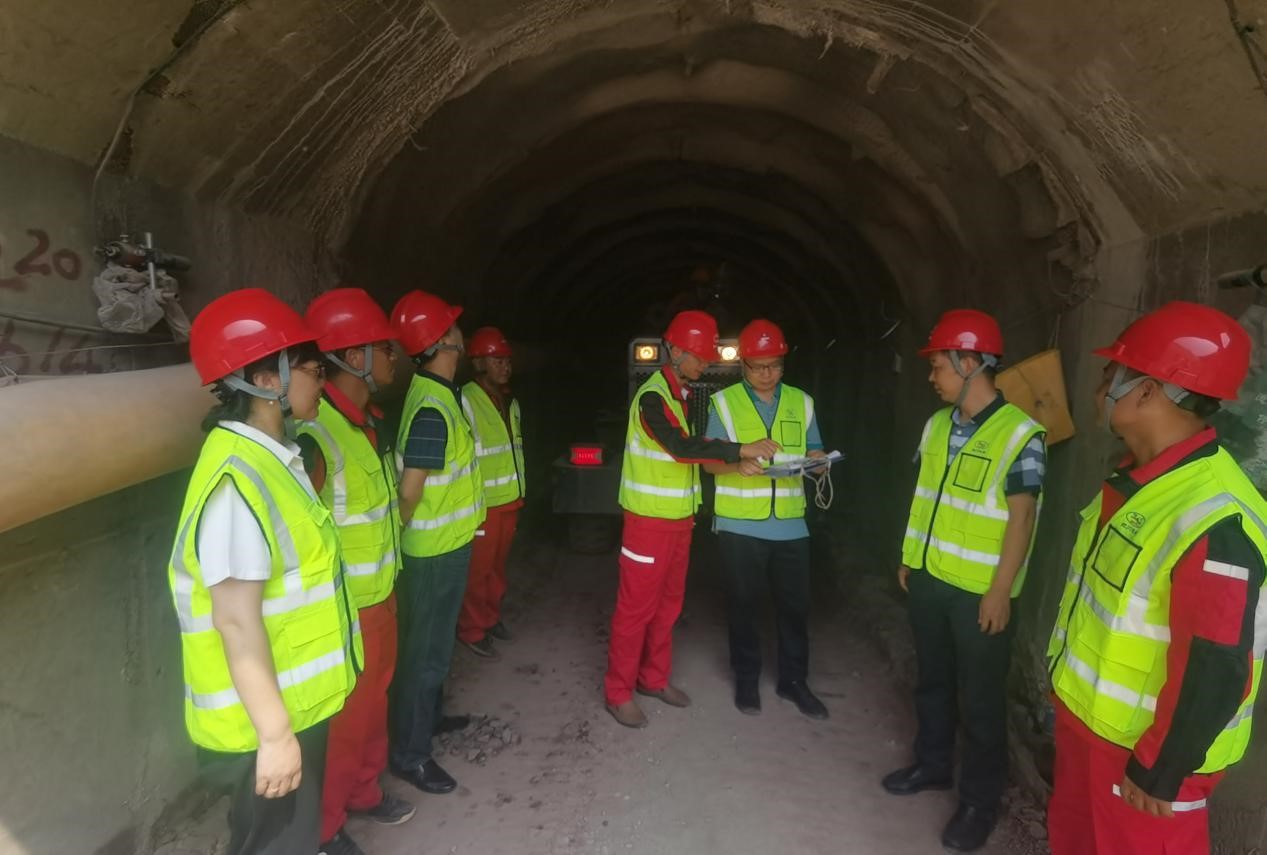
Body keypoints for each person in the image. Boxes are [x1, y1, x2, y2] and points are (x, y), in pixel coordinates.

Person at [1046, 302, 1267, 855]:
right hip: (1092, 730)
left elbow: (1216, 662)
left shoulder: (1215, 516)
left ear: (1147, 391)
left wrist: (1162, 767)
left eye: (1110, 376)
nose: (1099, 389)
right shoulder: (1139, 482)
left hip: (1146, 763)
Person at [169, 288, 360, 855]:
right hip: (263, 724)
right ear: (265, 379)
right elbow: (235, 620)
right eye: (311, 370)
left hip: (289, 706)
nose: (322, 381)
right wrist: (275, 736)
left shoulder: (272, 459)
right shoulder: (237, 481)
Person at [882, 309, 1047, 853]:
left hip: (980, 592)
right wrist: (910, 558)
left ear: (971, 363)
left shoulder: (1020, 435)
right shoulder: (936, 426)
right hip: (930, 578)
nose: (932, 377)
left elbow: (1022, 518)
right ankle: (932, 765)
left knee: (980, 701)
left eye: (939, 366)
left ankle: (979, 802)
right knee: (931, 680)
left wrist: (1001, 591)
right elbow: (925, 498)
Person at [604, 309, 778, 729]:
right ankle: (618, 692)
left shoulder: (677, 395)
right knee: (635, 611)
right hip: (648, 524)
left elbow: (688, 451)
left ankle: (653, 679)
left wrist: (732, 463)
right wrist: (740, 449)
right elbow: (681, 448)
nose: (705, 364)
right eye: (699, 356)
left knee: (668, 607)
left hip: (678, 522)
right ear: (676, 351)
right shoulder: (652, 398)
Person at [296, 288, 415, 855]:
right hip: (347, 610)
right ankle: (324, 827)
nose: (394, 357)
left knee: (375, 703)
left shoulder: (368, 423)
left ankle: (365, 792)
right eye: (384, 348)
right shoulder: (315, 435)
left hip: (381, 593)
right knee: (344, 721)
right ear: (353, 357)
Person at [702, 319, 829, 719]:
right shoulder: (724, 404)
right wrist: (737, 462)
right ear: (743, 364)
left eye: (774, 365)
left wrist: (819, 462)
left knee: (795, 608)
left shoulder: (802, 402)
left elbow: (814, 451)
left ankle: (794, 682)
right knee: (743, 605)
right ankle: (746, 679)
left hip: (790, 523)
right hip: (740, 523)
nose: (766, 374)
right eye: (758, 366)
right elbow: (708, 464)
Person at [388, 289, 484, 796]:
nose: (460, 331)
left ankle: (429, 719)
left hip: (449, 544)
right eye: (453, 325)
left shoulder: (441, 395)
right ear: (444, 340)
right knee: (423, 655)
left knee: (435, 649)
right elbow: (410, 493)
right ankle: (411, 755)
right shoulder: (432, 407)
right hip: (432, 554)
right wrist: (394, 543)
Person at [457, 327, 526, 660]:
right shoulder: (465, 400)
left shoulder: (509, 401)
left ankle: (490, 618)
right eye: (497, 360)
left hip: (509, 500)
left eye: (507, 360)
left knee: (497, 568)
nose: (505, 366)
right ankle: (472, 629)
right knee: (478, 571)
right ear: (478, 363)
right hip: (482, 504)